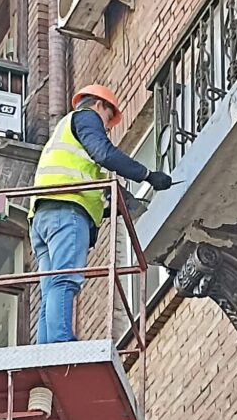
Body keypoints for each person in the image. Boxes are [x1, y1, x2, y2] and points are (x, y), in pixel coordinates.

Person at [29, 84, 173, 344]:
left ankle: (45, 351)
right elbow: (104, 153)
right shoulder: (85, 119)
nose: (106, 128)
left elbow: (94, 185)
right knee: (65, 280)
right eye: (108, 120)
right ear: (98, 106)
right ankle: (61, 345)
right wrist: (148, 175)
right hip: (68, 212)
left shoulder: (64, 134)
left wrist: (118, 204)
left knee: (51, 288)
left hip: (43, 217)